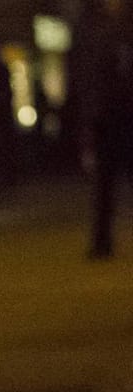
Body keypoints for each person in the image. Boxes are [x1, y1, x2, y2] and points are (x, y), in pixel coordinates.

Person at [74, 0, 133, 259]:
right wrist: (91, 119)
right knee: (104, 186)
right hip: (108, 120)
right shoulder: (99, 35)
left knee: (107, 184)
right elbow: (93, 82)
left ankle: (102, 242)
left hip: (123, 117)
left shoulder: (116, 34)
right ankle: (102, 242)